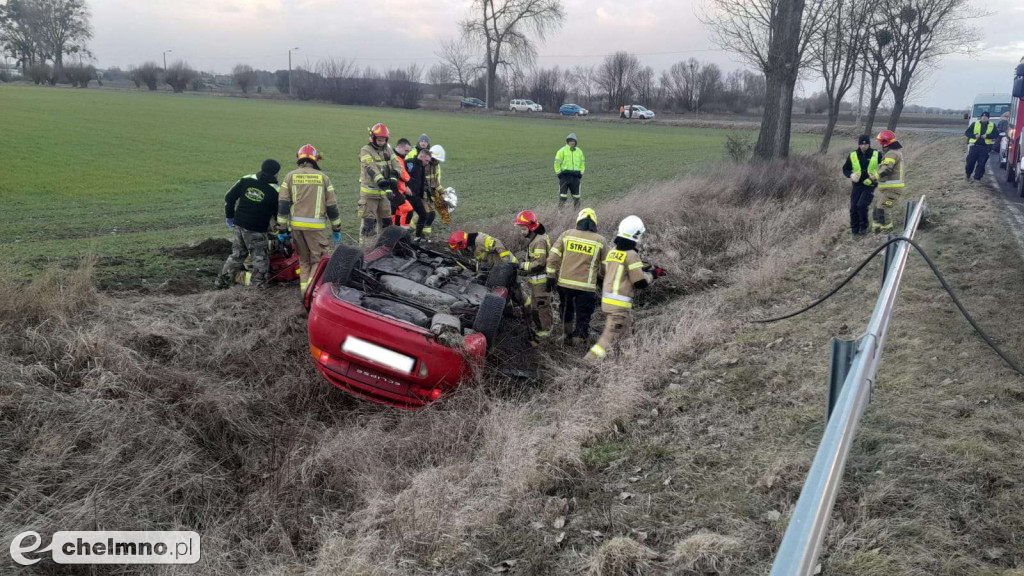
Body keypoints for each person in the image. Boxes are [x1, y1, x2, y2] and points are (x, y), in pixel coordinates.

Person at [586, 216, 663, 361]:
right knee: (612, 340)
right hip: (620, 307)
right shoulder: (631, 254)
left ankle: (620, 364)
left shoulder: (613, 252)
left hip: (609, 303)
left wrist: (641, 268)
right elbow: (640, 283)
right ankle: (589, 363)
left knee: (620, 337)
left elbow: (607, 273)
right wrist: (653, 274)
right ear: (636, 235)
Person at [277, 144, 341, 294]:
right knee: (318, 261)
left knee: (304, 261)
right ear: (315, 160)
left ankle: (304, 291)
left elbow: (283, 205)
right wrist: (336, 228)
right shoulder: (323, 178)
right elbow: (332, 206)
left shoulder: (290, 176)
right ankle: (310, 296)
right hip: (316, 229)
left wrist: (282, 229)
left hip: (296, 228)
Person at [214, 159, 281, 289]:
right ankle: (258, 287)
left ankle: (221, 281)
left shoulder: (246, 179)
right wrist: (283, 230)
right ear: (276, 174)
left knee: (237, 255)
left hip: (239, 225)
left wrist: (230, 216)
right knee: (260, 259)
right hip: (257, 230)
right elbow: (278, 214)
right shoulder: (275, 190)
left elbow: (229, 197)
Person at [546, 208, 607, 347]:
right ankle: (578, 345)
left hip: (564, 285)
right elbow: (605, 266)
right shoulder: (600, 240)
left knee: (566, 311)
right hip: (586, 288)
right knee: (583, 316)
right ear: (594, 223)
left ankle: (566, 337)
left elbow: (552, 257)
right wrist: (602, 279)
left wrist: (550, 276)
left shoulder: (566, 235)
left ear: (578, 220)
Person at [359, 123, 403, 246]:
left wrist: (395, 176)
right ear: (372, 138)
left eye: (383, 140)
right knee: (368, 225)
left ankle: (384, 248)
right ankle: (365, 250)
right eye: (379, 139)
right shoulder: (365, 150)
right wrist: (381, 180)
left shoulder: (388, 149)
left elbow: (396, 164)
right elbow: (370, 167)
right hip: (370, 194)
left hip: (384, 194)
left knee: (387, 222)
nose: (381, 142)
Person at [513, 210, 553, 340]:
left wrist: (522, 266)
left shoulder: (539, 241)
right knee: (537, 307)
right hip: (537, 281)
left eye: (523, 229)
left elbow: (540, 263)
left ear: (531, 227)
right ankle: (541, 329)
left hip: (541, 281)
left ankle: (545, 334)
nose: (522, 232)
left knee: (542, 307)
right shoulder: (537, 238)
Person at [841, 135, 880, 237]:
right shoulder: (853, 155)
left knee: (861, 205)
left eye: (866, 144)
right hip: (857, 185)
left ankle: (863, 229)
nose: (863, 146)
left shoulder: (876, 154)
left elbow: (885, 168)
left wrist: (874, 177)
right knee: (853, 208)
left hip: (870, 185)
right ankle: (855, 231)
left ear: (869, 144)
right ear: (858, 144)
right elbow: (845, 169)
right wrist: (851, 175)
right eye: (861, 144)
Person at [871, 130, 905, 234]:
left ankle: (887, 232)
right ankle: (876, 230)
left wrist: (872, 178)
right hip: (887, 189)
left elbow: (886, 169)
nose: (881, 145)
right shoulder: (892, 153)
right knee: (877, 209)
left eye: (882, 142)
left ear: (886, 143)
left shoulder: (892, 154)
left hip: (892, 189)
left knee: (883, 209)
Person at [405, 147, 437, 239]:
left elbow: (421, 181)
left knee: (424, 215)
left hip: (416, 196)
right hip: (407, 196)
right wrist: (406, 187)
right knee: (408, 216)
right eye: (426, 160)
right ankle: (404, 236)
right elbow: (401, 175)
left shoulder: (422, 166)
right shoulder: (409, 163)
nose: (427, 163)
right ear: (421, 156)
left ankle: (418, 237)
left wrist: (422, 194)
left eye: (428, 161)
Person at [447, 230, 517, 269]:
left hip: (510, 264)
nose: (461, 250)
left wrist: (507, 264)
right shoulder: (472, 245)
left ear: (462, 244)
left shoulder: (480, 240)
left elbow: (498, 244)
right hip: (497, 266)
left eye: (460, 248)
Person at [555, 133, 586, 208]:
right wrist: (559, 174)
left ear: (576, 142)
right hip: (565, 177)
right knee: (563, 197)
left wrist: (581, 174)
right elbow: (556, 163)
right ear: (567, 142)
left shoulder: (579, 151)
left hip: (575, 177)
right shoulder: (561, 151)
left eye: (574, 141)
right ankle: (560, 213)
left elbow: (583, 164)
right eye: (570, 141)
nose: (572, 142)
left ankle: (576, 213)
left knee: (577, 197)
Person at [965, 111, 997, 182]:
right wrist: (974, 136)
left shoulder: (992, 125)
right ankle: (968, 174)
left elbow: (996, 134)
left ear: (988, 118)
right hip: (974, 146)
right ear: (981, 117)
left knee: (981, 163)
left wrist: (987, 136)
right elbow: (967, 133)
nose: (984, 117)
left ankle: (977, 178)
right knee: (970, 162)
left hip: (985, 147)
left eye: (986, 116)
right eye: (983, 116)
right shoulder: (975, 124)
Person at [389, 138, 414, 225]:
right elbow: (403, 175)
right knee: (408, 210)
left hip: (397, 191)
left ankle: (396, 234)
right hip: (395, 191)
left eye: (409, 151)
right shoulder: (396, 158)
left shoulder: (398, 157)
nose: (407, 153)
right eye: (406, 150)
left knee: (396, 214)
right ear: (399, 147)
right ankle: (403, 233)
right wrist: (409, 180)